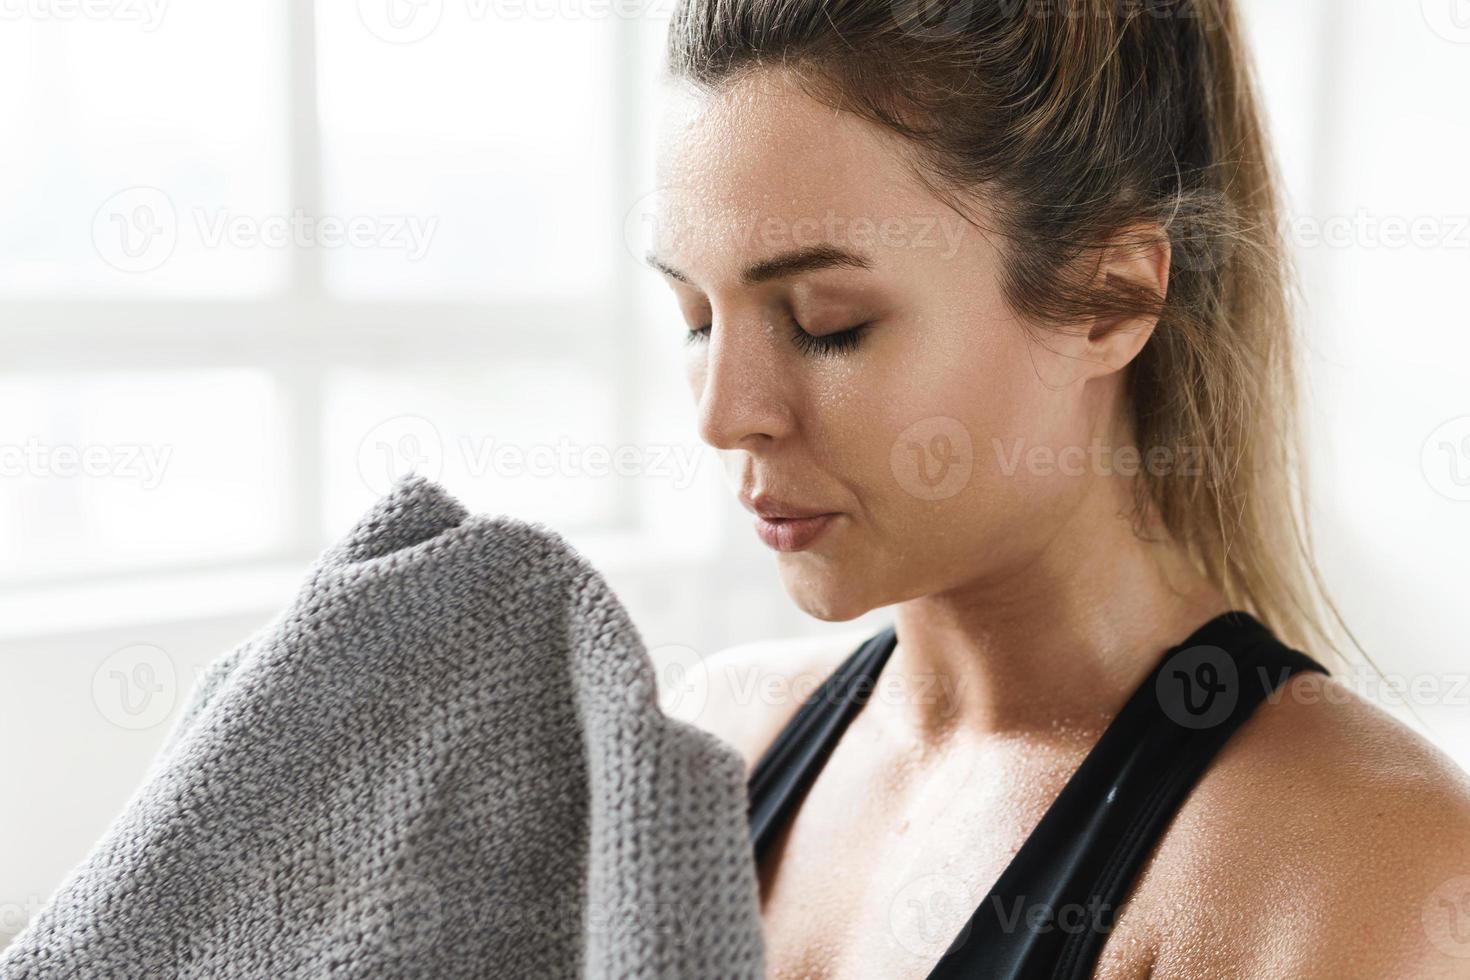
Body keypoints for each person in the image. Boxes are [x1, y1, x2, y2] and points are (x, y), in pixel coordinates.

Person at [645, 1, 1470, 977]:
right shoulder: (718, 738)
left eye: (829, 323)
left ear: (1108, 297)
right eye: (698, 316)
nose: (724, 413)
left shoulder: (1356, 871)